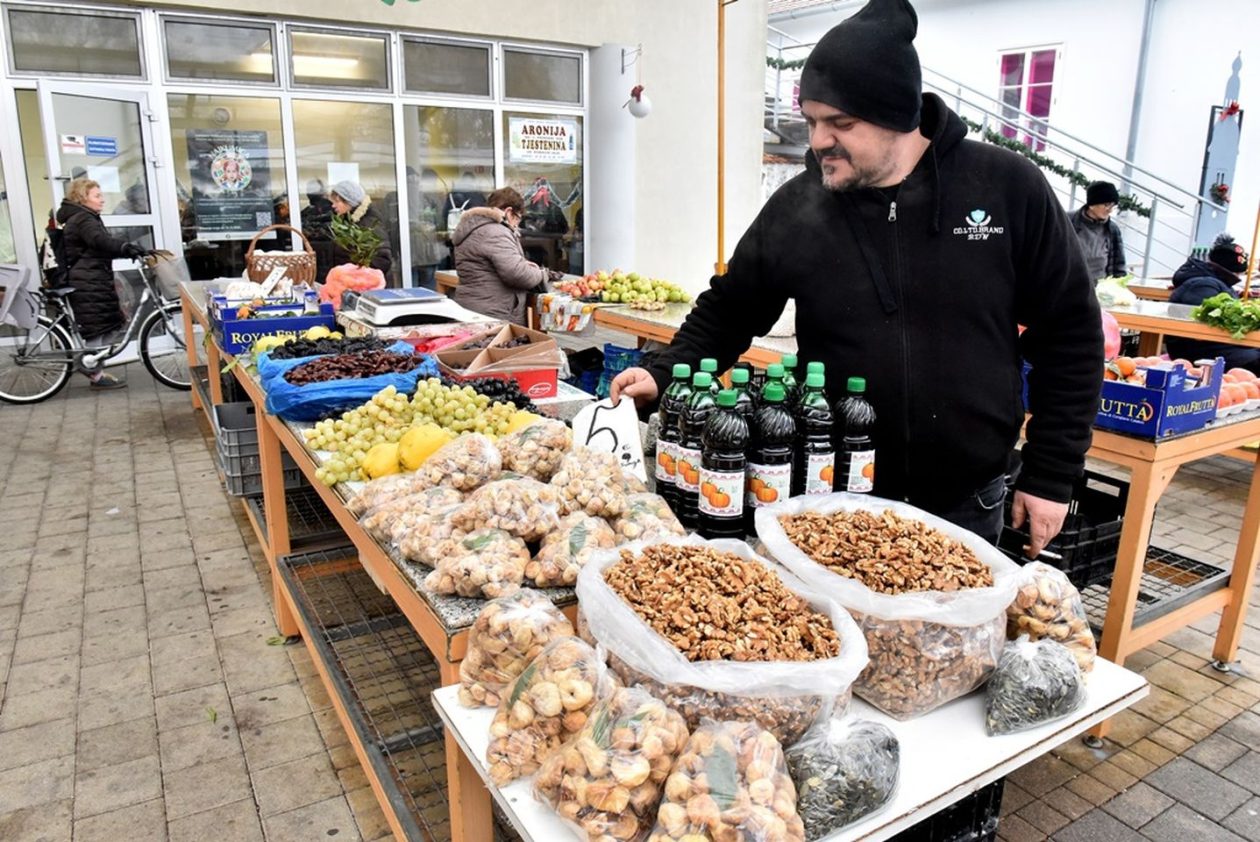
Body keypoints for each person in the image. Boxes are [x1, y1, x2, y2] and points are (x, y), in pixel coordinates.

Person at [611, 0, 1102, 555]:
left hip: (967, 499)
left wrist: (1051, 473)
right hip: (832, 494)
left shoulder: (1005, 187)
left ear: (899, 115)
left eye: (840, 123)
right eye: (813, 120)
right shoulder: (802, 203)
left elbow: (1069, 334)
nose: (818, 140)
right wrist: (664, 371)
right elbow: (732, 305)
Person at [56, 177, 149, 390]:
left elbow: (97, 246)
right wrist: (126, 247)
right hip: (87, 281)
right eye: (97, 196)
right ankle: (94, 372)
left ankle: (95, 368)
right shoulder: (83, 219)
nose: (102, 200)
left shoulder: (83, 217)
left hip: (93, 278)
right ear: (83, 198)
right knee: (96, 328)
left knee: (107, 325)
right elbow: (100, 241)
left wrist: (125, 248)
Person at [451, 187, 559, 325]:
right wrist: (541, 274)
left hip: (474, 309)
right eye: (518, 218)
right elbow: (518, 275)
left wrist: (524, 265)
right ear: (509, 212)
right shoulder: (495, 231)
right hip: (492, 314)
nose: (517, 225)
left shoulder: (474, 228)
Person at [1166, 234, 1257, 371]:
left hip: (1216, 346)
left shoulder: (1211, 282)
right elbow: (1208, 322)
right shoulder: (1202, 285)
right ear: (1231, 272)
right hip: (1199, 352)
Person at [329, 180, 393, 278]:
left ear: (349, 201)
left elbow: (382, 259)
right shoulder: (350, 221)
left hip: (366, 288)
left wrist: (356, 274)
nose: (333, 205)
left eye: (337, 201)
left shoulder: (369, 224)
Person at [1070, 181, 1127, 280]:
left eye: (1113, 206)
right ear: (1092, 204)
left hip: (1100, 288)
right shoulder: (1069, 221)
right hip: (1070, 285)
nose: (1110, 210)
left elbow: (1119, 266)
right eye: (1106, 205)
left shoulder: (1112, 229)